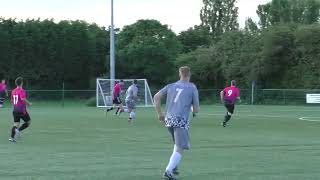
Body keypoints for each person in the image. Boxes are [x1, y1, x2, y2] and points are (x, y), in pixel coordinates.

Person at [154, 66, 200, 180]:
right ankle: (168, 171)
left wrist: (160, 114)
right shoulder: (192, 87)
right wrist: (192, 109)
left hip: (168, 119)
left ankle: (174, 166)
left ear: (180, 74)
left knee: (177, 144)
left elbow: (156, 97)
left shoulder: (171, 86)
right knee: (180, 147)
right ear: (189, 74)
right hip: (181, 120)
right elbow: (196, 109)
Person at [9, 77, 33, 143]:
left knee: (16, 124)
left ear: (16, 83)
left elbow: (11, 100)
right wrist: (29, 104)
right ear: (22, 83)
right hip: (22, 111)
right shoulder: (22, 90)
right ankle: (18, 130)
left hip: (15, 110)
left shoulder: (13, 91)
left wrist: (15, 106)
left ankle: (11, 138)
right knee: (28, 122)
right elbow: (23, 99)